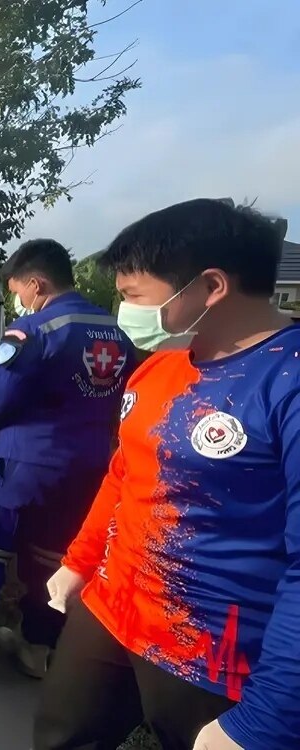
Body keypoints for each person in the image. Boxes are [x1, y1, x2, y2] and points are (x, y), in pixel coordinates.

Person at [34, 199, 300, 750]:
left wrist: (268, 720)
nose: (124, 310)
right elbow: (123, 474)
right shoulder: (158, 368)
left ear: (211, 287)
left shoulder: (286, 383)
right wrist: (80, 561)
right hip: (111, 612)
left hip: (215, 654)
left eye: (134, 296)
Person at [0, 239, 134, 677]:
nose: (19, 299)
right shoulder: (116, 334)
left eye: (19, 289)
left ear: (37, 283)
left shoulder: (33, 332)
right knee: (52, 555)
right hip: (87, 468)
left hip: (24, 461)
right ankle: (37, 647)